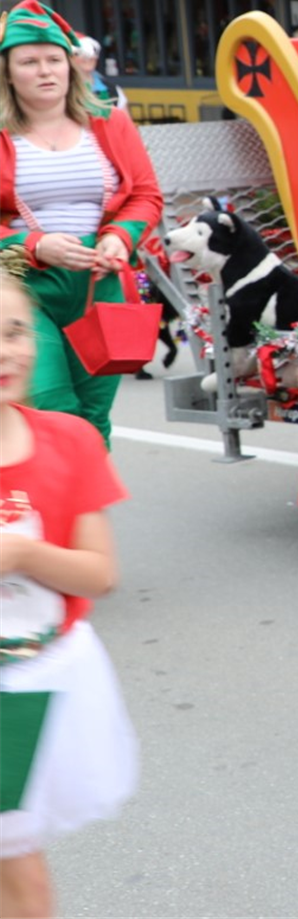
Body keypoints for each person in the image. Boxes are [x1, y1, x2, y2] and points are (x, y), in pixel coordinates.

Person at [0, 271, 139, 918]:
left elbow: (99, 573)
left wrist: (23, 554)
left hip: (28, 684)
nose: (5, 352)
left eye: (14, 332)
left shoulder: (69, 440)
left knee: (20, 875)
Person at [0, 0, 162, 443]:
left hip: (100, 282)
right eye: (29, 62)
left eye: (54, 59)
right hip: (23, 285)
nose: (45, 71)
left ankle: (88, 491)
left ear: (70, 66)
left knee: (94, 416)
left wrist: (119, 238)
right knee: (52, 408)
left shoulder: (110, 122)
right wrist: (35, 245)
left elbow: (146, 195)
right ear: (7, 72)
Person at [70, 37, 126, 111]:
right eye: (80, 53)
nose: (88, 58)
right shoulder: (63, 90)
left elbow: (124, 117)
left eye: (93, 53)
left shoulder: (114, 90)